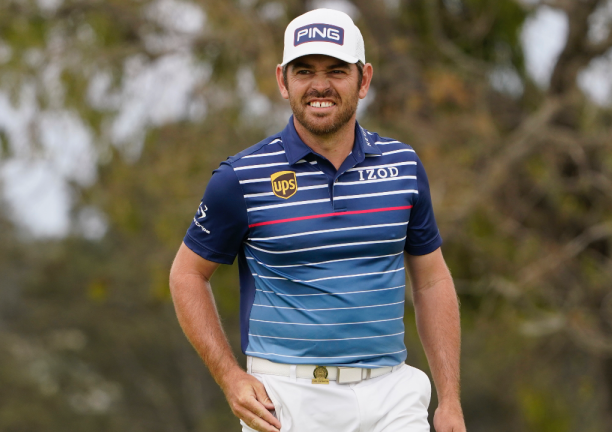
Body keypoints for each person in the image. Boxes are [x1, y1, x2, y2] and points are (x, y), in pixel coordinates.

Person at [169, 8, 466, 432]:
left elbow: (433, 280)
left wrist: (450, 399)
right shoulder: (240, 178)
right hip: (286, 401)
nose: (320, 85)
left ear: (363, 80)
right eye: (304, 71)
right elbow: (186, 275)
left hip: (392, 395)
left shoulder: (403, 166)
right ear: (282, 81)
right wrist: (231, 377)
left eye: (336, 71)